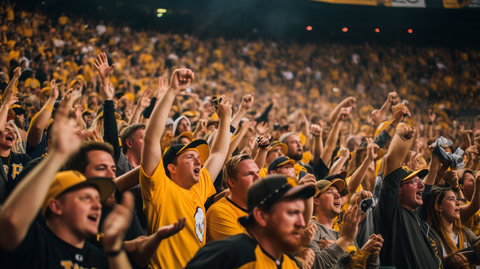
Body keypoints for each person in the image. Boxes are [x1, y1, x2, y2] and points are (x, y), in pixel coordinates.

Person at [0, 100, 134, 269]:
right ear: (56, 206)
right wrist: (58, 154)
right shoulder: (37, 245)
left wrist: (115, 250)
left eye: (96, 198)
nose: (97, 205)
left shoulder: (96, 255)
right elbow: (12, 221)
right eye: (85, 198)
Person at [140, 69, 232, 269]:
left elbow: (217, 154)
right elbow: (150, 139)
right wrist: (172, 91)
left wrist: (225, 120)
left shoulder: (199, 188)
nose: (199, 162)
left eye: (199, 158)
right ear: (171, 167)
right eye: (190, 157)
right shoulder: (159, 187)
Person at [185, 174, 316, 269]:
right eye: (292, 213)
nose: (301, 223)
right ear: (262, 216)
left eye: (301, 212)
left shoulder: (291, 264)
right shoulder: (228, 255)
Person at [373, 124, 459, 268]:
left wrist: (450, 260)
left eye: (420, 182)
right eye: (414, 182)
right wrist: (400, 136)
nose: (422, 185)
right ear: (398, 190)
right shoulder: (392, 214)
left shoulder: (424, 226)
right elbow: (391, 161)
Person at [307, 178, 382, 269]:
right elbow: (314, 266)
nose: (338, 195)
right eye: (330, 192)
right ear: (315, 200)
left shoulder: (345, 230)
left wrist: (370, 256)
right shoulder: (310, 229)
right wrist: (343, 243)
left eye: (338, 192)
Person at [206, 154, 259, 241]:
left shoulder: (262, 206)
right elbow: (246, 249)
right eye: (249, 174)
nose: (258, 178)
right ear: (232, 182)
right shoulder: (219, 211)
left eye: (257, 172)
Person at [426, 187, 480, 268]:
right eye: (451, 199)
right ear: (438, 207)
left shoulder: (464, 232)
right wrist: (448, 261)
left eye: (457, 199)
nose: (458, 202)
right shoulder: (430, 236)